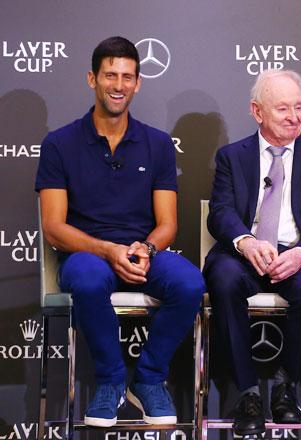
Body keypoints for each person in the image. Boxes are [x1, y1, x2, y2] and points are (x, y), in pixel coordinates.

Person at [35, 36, 205, 427]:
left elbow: (168, 225)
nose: (118, 85)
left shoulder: (158, 144)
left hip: (142, 253)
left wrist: (145, 248)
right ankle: (110, 382)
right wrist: (108, 251)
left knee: (190, 283)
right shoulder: (59, 144)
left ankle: (147, 379)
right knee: (90, 280)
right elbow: (54, 227)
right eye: (110, 75)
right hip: (86, 256)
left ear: (138, 83)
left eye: (127, 77)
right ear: (91, 79)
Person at [203, 69, 301, 436]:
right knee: (224, 277)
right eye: (283, 109)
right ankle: (247, 393)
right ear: (257, 111)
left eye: (298, 108)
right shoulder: (232, 157)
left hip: (295, 253)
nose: (294, 117)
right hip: (245, 253)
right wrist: (246, 243)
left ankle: (286, 385)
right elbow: (221, 212)